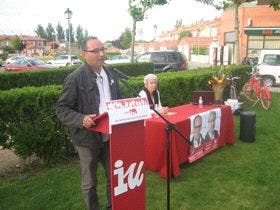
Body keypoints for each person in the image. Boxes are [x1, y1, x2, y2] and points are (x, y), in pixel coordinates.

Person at [56, 36, 122, 210]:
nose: (101, 54)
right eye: (96, 51)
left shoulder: (111, 74)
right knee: (90, 183)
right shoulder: (75, 78)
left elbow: (119, 100)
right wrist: (81, 119)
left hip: (110, 136)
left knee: (114, 177)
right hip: (87, 140)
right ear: (84, 54)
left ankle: (112, 206)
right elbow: (62, 109)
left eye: (103, 49)